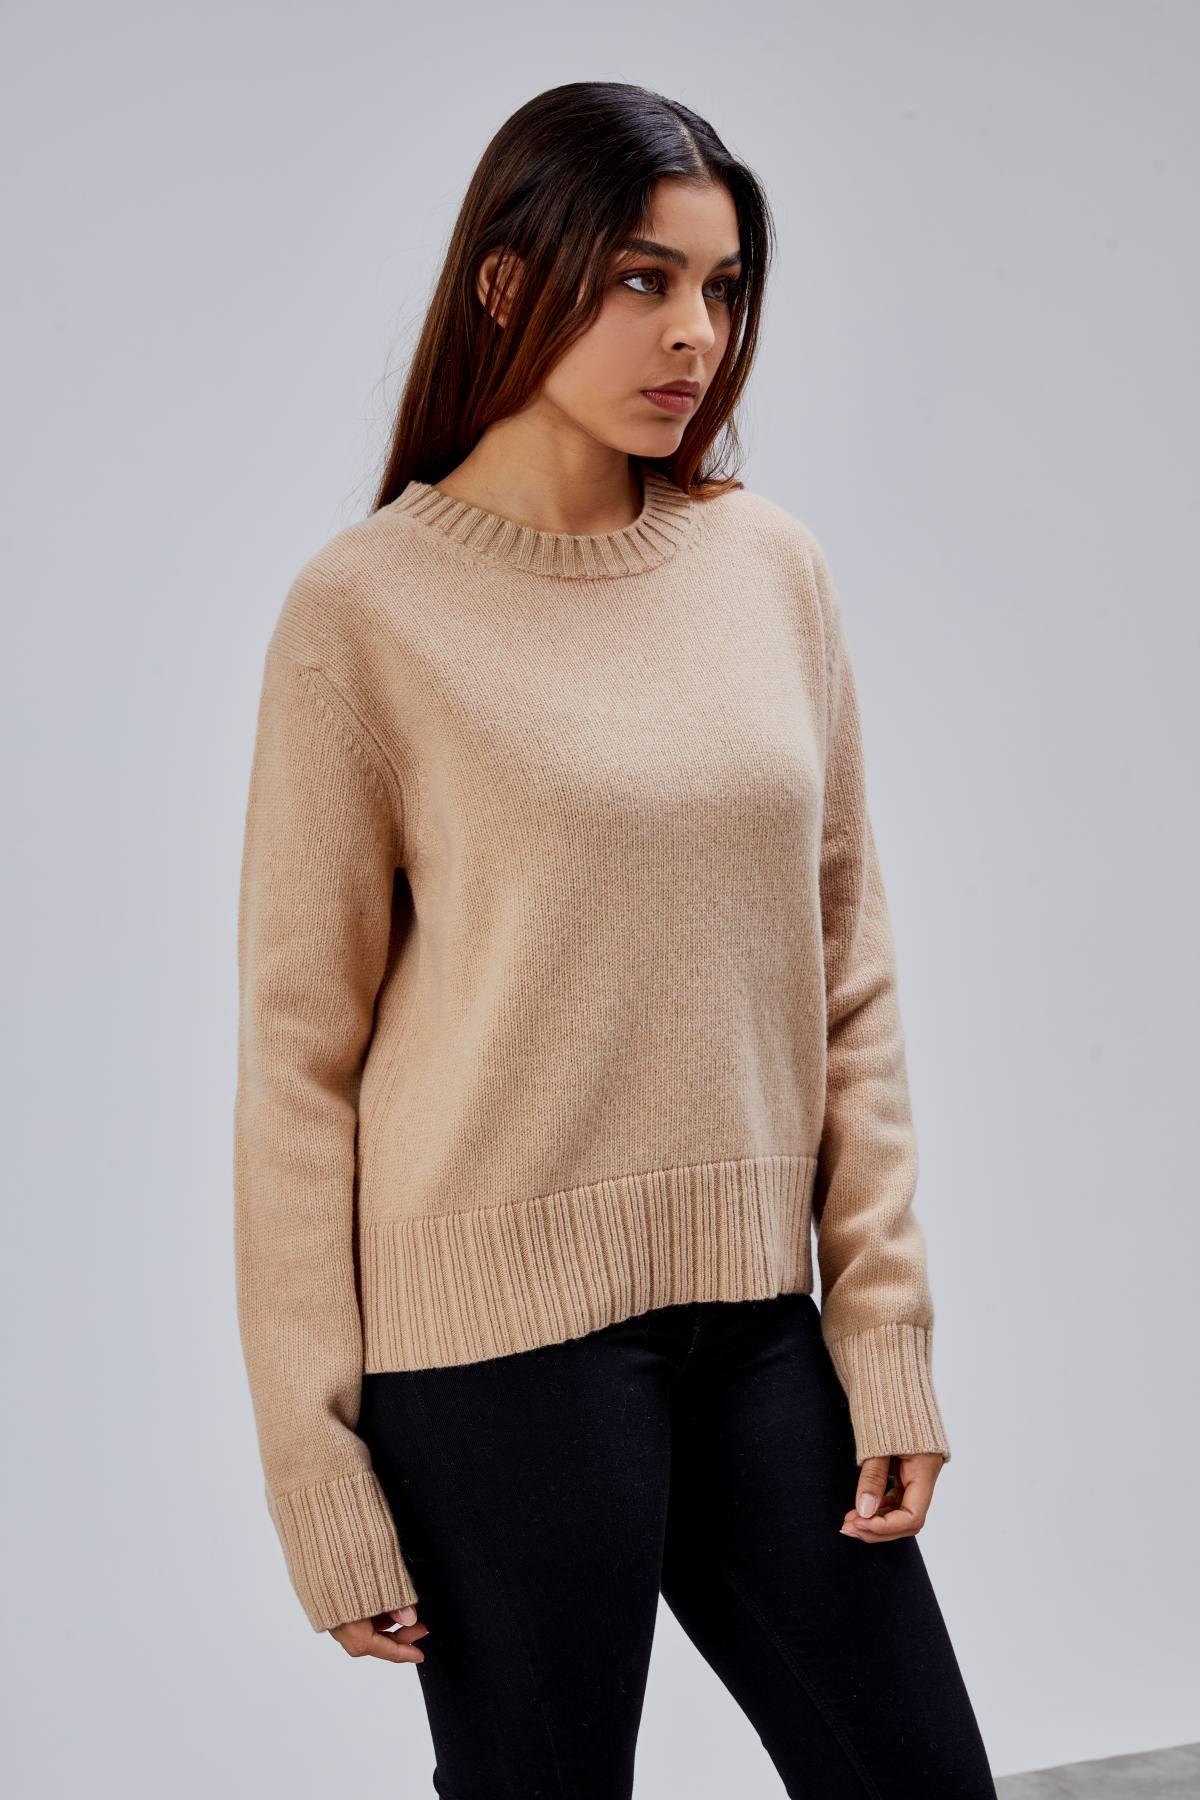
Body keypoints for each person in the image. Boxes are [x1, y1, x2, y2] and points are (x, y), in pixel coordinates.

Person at [233, 79, 997, 1799]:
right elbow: (295, 1064)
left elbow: (850, 974)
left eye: (722, 289)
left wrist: (884, 1333)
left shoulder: (769, 568)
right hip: (491, 1358)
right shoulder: (363, 612)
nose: (695, 336)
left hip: (760, 1322)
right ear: (510, 285)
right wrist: (315, 1464)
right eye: (645, 280)